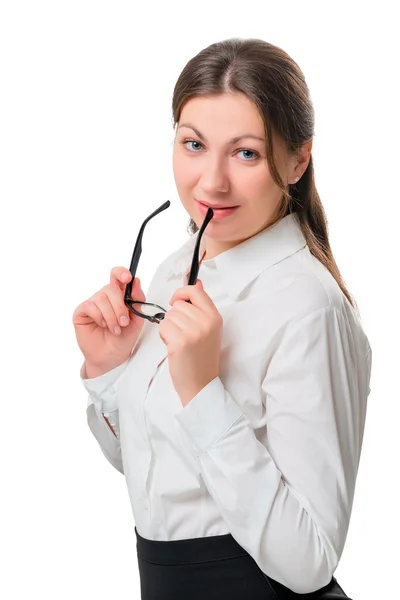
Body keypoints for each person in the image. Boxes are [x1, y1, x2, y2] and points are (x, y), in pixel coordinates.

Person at [72, 38, 372, 599]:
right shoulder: (172, 273)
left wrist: (203, 391)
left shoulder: (309, 308)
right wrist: (110, 373)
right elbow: (157, 472)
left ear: (298, 159)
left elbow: (309, 560)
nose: (210, 182)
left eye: (246, 153)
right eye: (193, 144)